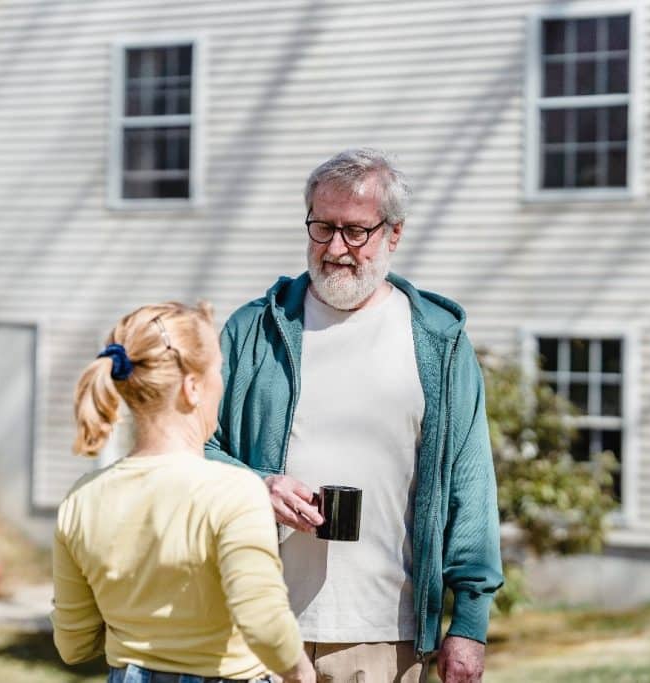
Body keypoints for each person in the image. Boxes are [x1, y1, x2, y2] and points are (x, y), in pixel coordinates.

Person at [205, 149, 504, 683]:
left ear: (394, 233)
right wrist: (256, 486)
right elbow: (193, 449)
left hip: (385, 635)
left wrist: (470, 624)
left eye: (355, 231)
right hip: (255, 628)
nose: (336, 247)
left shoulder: (438, 341)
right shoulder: (252, 331)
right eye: (322, 227)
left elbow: (471, 481)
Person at [51, 302, 316, 683]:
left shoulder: (81, 499)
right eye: (217, 372)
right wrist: (301, 674)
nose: (222, 385)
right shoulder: (235, 492)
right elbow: (263, 621)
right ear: (192, 388)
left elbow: (73, 644)